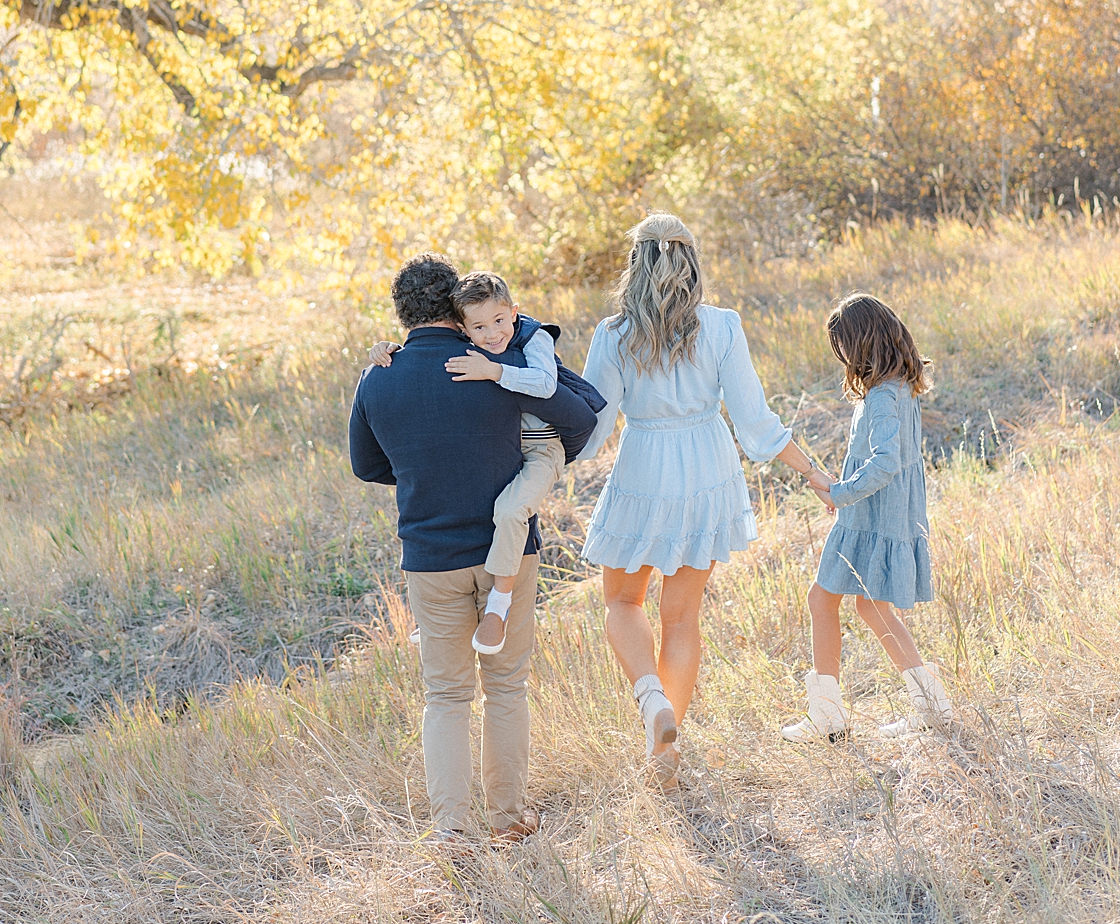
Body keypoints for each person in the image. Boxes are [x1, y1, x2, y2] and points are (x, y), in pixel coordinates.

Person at [348, 253, 598, 846]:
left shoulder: (379, 376)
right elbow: (580, 422)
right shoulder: (495, 365)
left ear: (402, 314)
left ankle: (451, 828)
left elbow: (367, 465)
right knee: (506, 686)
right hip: (506, 554)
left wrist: (422, 471)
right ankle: (507, 819)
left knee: (446, 694)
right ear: (457, 309)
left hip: (431, 557)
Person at [577, 212, 831, 786]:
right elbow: (756, 424)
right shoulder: (722, 327)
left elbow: (593, 430)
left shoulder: (613, 334)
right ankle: (665, 754)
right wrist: (813, 473)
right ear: (691, 262)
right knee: (682, 616)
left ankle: (651, 701)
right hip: (707, 472)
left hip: (645, 468)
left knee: (621, 601)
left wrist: (531, 453)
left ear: (635, 266)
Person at [369, 269, 596, 657]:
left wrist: (495, 373)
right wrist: (386, 348)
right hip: (514, 460)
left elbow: (564, 404)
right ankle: (463, 617)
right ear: (461, 327)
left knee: (510, 512)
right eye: (479, 326)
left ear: (513, 312)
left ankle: (498, 605)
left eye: (498, 321)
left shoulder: (519, 349)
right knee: (506, 686)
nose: (492, 333)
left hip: (538, 451)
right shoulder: (471, 352)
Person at [782, 293, 954, 744]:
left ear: (858, 346)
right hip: (882, 513)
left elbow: (884, 463)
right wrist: (843, 492)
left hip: (871, 518)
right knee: (869, 605)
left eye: (843, 349)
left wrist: (839, 493)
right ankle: (930, 704)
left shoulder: (882, 395)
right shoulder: (899, 385)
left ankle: (828, 716)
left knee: (823, 600)